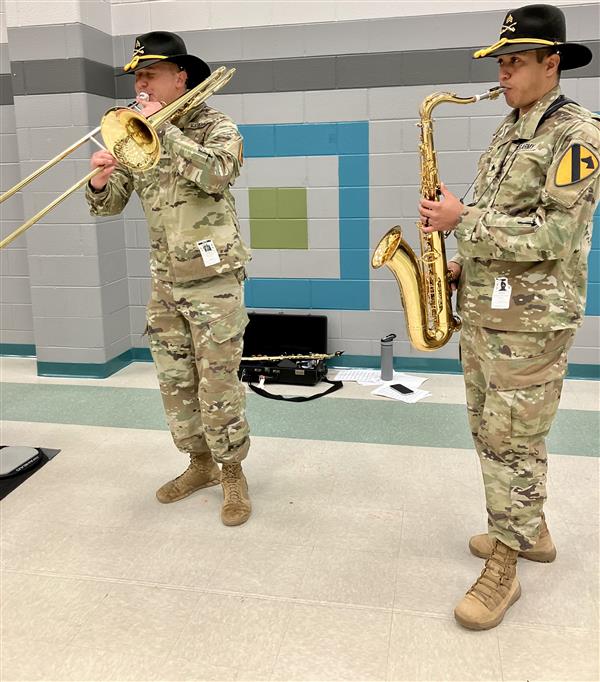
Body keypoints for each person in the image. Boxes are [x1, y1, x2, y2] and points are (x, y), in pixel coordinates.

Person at [419, 4, 600, 629]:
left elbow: (555, 234)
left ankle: (506, 565)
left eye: (516, 62)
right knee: (489, 432)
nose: (503, 73)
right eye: (500, 61)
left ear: (552, 64)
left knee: (511, 441)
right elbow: (506, 222)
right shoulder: (511, 125)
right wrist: (461, 261)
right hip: (491, 308)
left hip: (533, 323)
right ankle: (533, 529)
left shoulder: (576, 135)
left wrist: (463, 221)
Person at [86, 32, 253, 526]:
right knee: (176, 382)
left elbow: (220, 172)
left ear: (180, 77)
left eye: (149, 74)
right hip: (165, 281)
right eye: (137, 75)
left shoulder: (213, 124)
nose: (140, 83)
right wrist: (100, 177)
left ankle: (232, 472)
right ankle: (198, 462)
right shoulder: (133, 132)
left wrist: (166, 131)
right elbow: (109, 204)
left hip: (214, 280)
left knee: (218, 384)